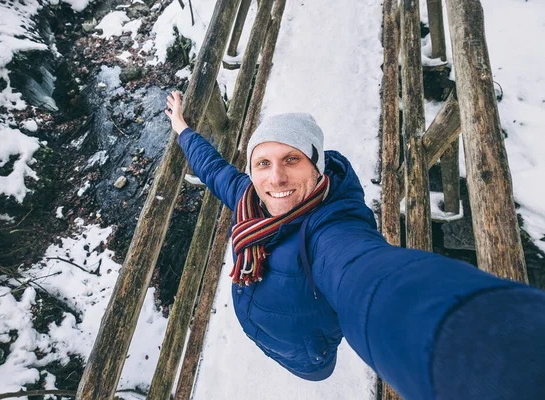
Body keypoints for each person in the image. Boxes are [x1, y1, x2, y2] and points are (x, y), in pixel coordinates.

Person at [165, 90, 545, 399]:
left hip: (308, 353)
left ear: (317, 167)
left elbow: (368, 276)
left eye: (291, 159)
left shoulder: (330, 227)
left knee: (315, 373)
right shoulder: (248, 198)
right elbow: (213, 169)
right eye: (262, 163)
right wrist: (182, 128)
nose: (276, 177)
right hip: (264, 330)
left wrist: (467, 343)